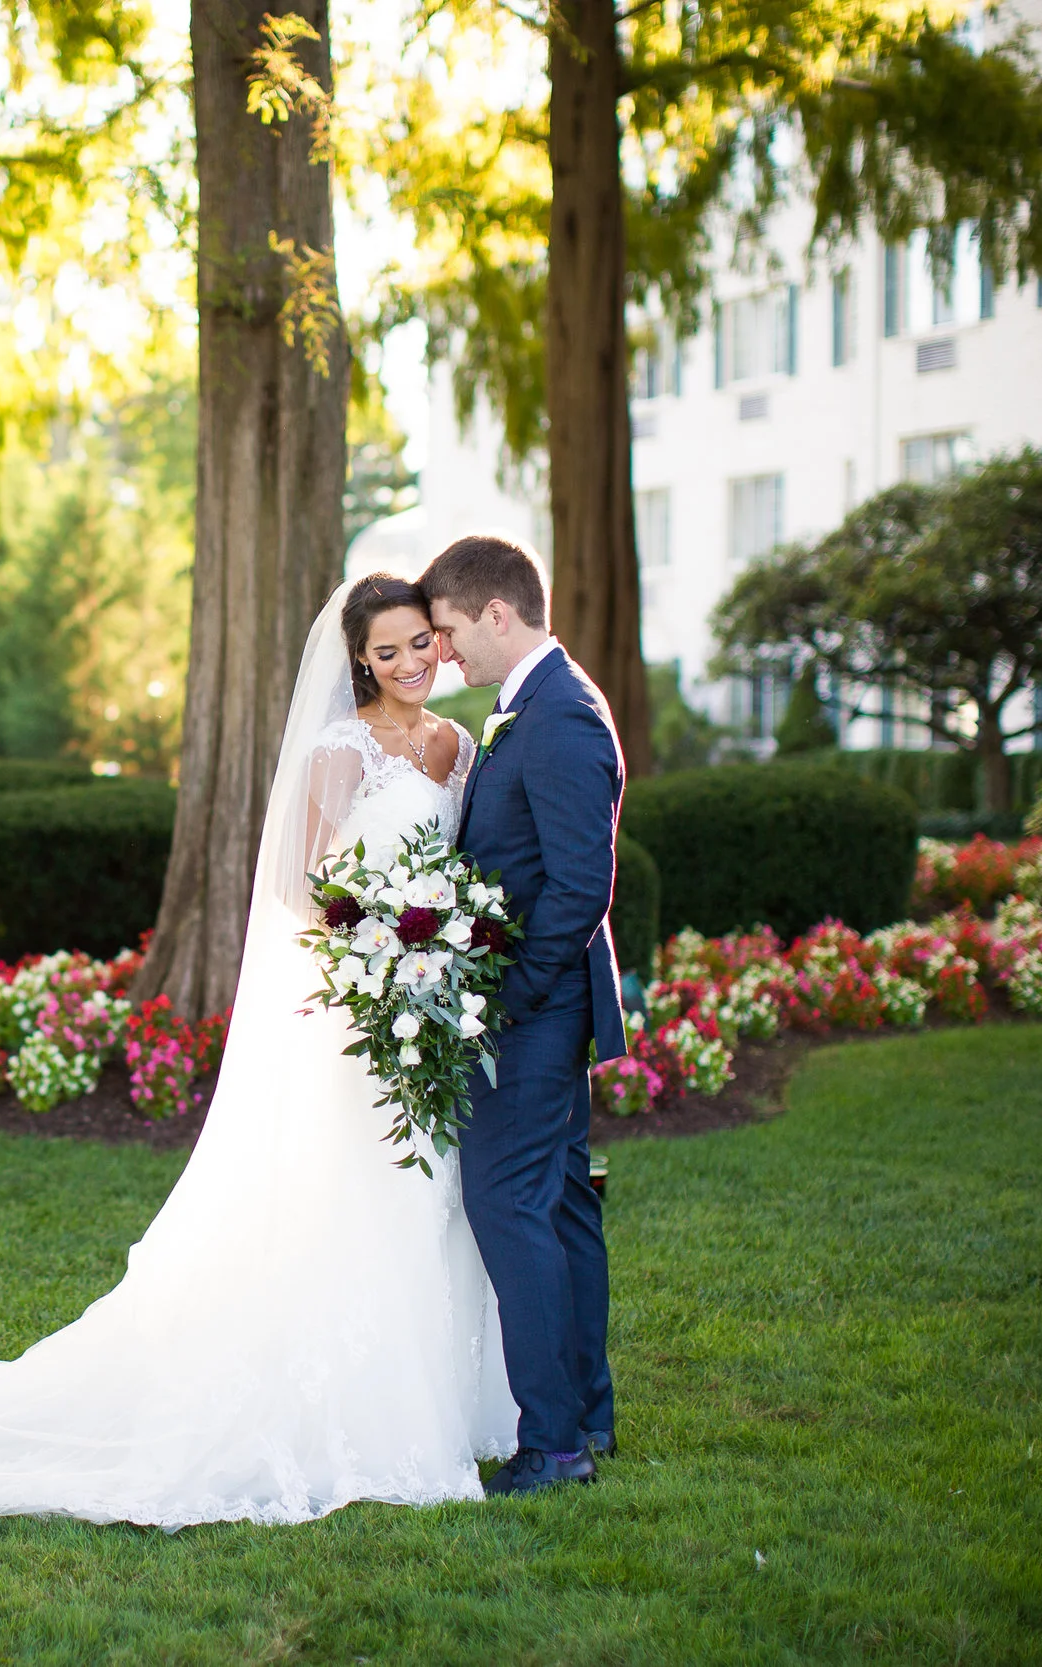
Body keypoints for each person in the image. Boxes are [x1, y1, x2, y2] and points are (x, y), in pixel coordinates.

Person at [0, 572, 517, 1527]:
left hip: (429, 1005)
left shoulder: (458, 748)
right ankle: (337, 1409)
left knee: (431, 1196)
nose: (410, 664)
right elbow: (303, 892)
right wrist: (385, 947)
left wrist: (443, 946)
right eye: (386, 652)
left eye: (421, 643)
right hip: (362, 1007)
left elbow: (457, 865)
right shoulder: (342, 749)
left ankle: (436, 1404)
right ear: (359, 662)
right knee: (355, 1194)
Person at [420, 533, 629, 1497]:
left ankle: (552, 1442)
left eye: (454, 633)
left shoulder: (562, 717)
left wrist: (507, 999)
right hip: (538, 1006)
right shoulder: (534, 706)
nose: (448, 655)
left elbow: (583, 884)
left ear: (497, 613)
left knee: (510, 1205)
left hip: (532, 1014)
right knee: (560, 1204)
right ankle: (585, 1414)